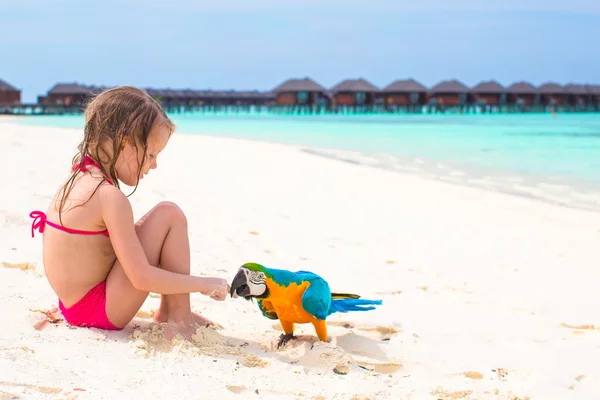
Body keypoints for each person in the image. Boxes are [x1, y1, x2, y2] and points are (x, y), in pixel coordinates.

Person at [29, 86, 230, 339]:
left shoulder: (80, 175)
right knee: (170, 215)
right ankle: (179, 318)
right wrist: (204, 284)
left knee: (165, 215)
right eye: (151, 154)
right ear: (125, 143)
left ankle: (171, 310)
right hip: (98, 311)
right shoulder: (108, 196)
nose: (154, 165)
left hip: (73, 305)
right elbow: (141, 278)